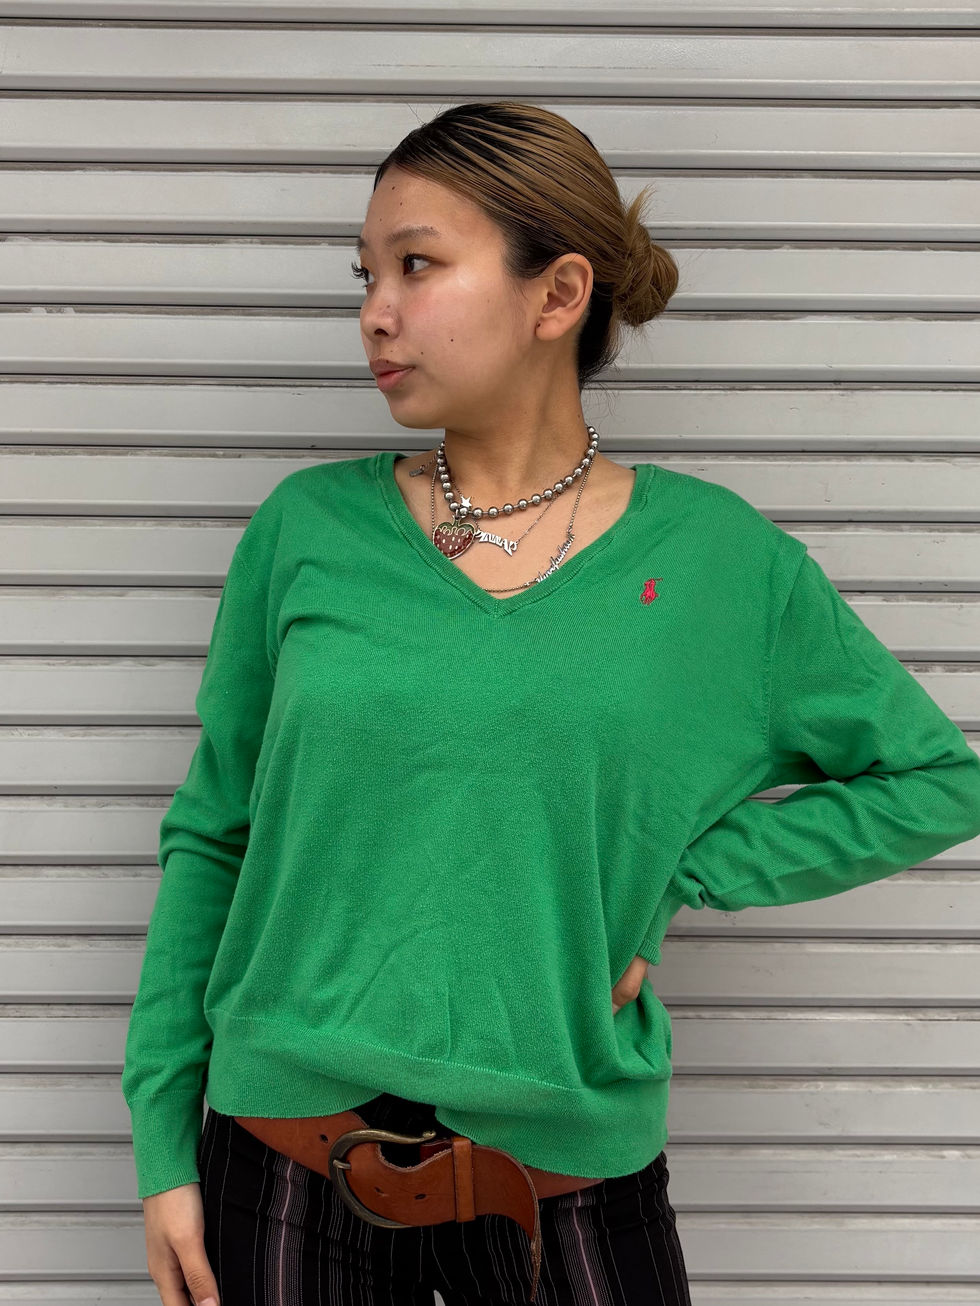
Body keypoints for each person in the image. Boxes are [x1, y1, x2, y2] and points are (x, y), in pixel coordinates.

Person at [121, 99, 980, 1306]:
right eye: (365, 274)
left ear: (558, 293)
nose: (375, 310)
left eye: (417, 264)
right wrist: (163, 1143)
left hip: (565, 1182)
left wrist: (683, 869)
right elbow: (214, 833)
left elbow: (936, 780)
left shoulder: (719, 566)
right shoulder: (303, 530)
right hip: (280, 1169)